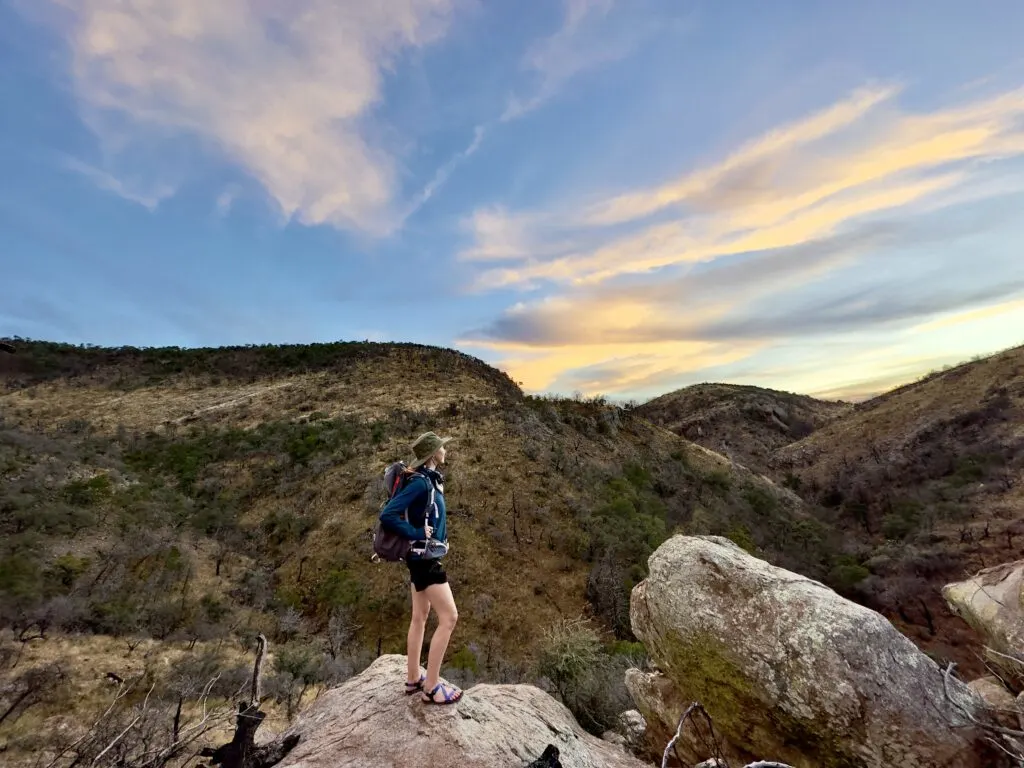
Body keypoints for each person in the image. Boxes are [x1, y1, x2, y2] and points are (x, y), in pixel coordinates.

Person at [379, 431, 463, 705]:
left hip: (420, 557)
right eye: (441, 448)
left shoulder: (430, 481)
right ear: (432, 455)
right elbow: (388, 514)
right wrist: (416, 531)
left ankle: (414, 678)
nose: (445, 451)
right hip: (425, 559)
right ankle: (432, 687)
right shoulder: (421, 484)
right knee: (449, 617)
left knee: (420, 615)